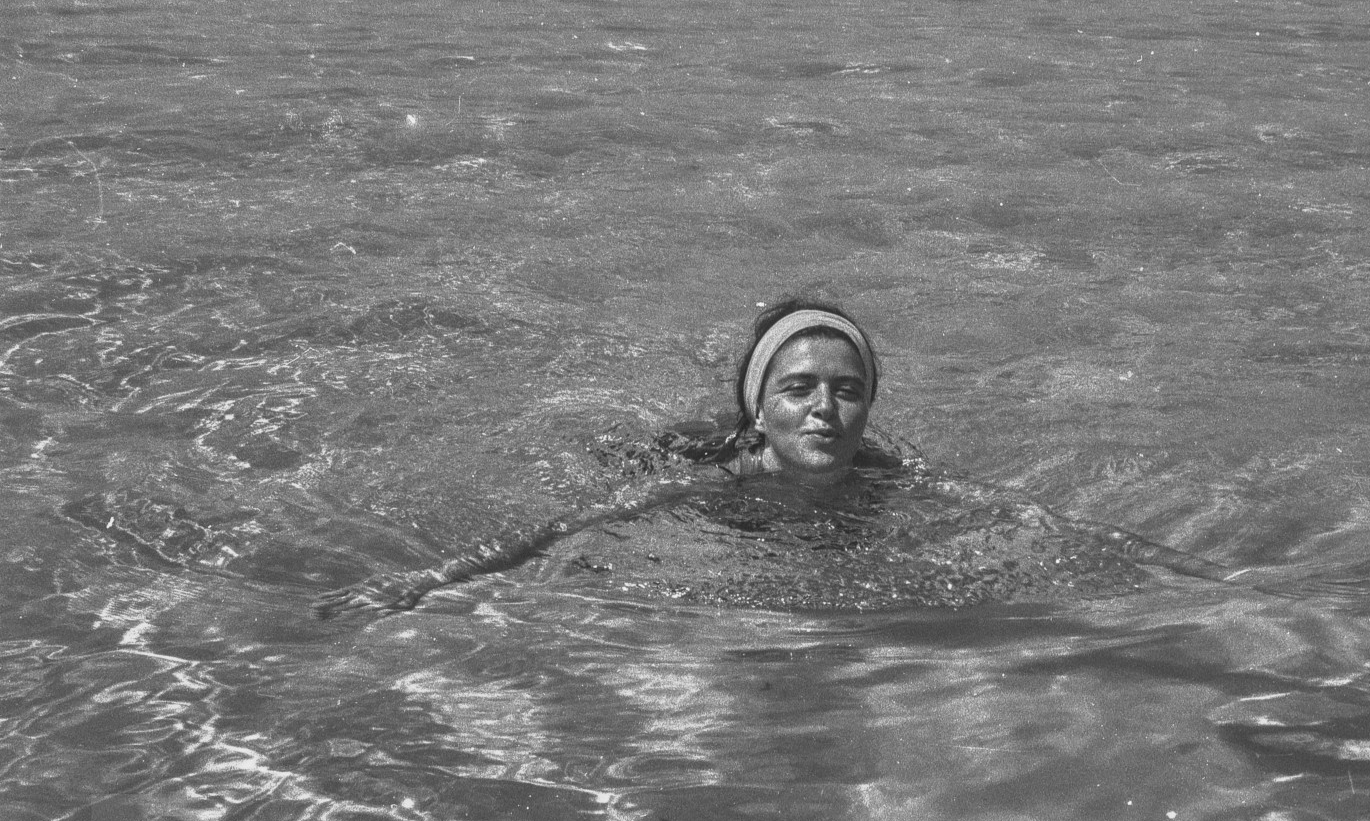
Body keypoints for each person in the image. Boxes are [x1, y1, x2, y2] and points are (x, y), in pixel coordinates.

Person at [315, 296, 1245, 618]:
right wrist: (422, 583)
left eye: (848, 390)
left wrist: (1204, 578)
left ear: (870, 404)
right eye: (799, 389)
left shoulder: (892, 474)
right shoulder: (712, 484)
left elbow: (1036, 518)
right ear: (761, 410)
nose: (826, 410)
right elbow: (561, 529)